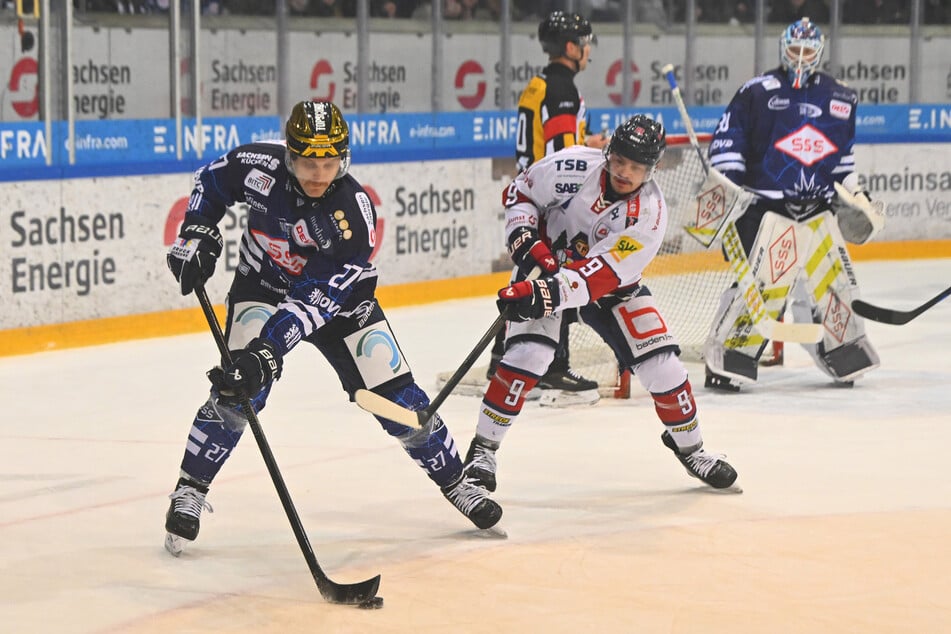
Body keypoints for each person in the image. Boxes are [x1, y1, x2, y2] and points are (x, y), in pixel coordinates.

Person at [162, 100, 502, 555]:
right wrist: (196, 232)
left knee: (398, 399)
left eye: (328, 162)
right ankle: (191, 489)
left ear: (344, 158)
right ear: (290, 156)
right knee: (238, 389)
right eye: (307, 162)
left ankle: (456, 481)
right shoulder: (258, 165)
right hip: (261, 285)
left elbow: (313, 304)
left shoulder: (352, 215)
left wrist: (268, 351)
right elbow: (210, 181)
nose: (318, 174)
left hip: (339, 305)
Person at [463, 115, 739, 497]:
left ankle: (692, 449)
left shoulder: (649, 216)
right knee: (528, 357)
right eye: (621, 160)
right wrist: (526, 241)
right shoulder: (572, 164)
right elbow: (519, 193)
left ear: (652, 169)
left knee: (666, 368)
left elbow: (596, 278)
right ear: (608, 152)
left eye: (638, 167)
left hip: (610, 288)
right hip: (543, 266)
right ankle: (482, 450)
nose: (626, 172)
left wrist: (542, 295)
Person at [703, 18, 884, 392]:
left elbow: (842, 164)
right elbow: (728, 143)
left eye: (807, 50)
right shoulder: (756, 91)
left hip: (819, 210)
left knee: (837, 286)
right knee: (762, 288)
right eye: (794, 49)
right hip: (770, 209)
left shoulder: (841, 98)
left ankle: (842, 348)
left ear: (818, 52)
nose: (800, 57)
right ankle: (729, 358)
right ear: (783, 48)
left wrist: (858, 194)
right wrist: (729, 185)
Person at [487, 10, 609, 408]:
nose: (588, 50)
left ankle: (502, 359)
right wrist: (589, 152)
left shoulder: (540, 84)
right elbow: (562, 154)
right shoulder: (562, 89)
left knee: (533, 272)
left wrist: (586, 141)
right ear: (571, 48)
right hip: (550, 200)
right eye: (585, 43)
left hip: (533, 192)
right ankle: (549, 366)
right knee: (558, 274)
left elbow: (557, 141)